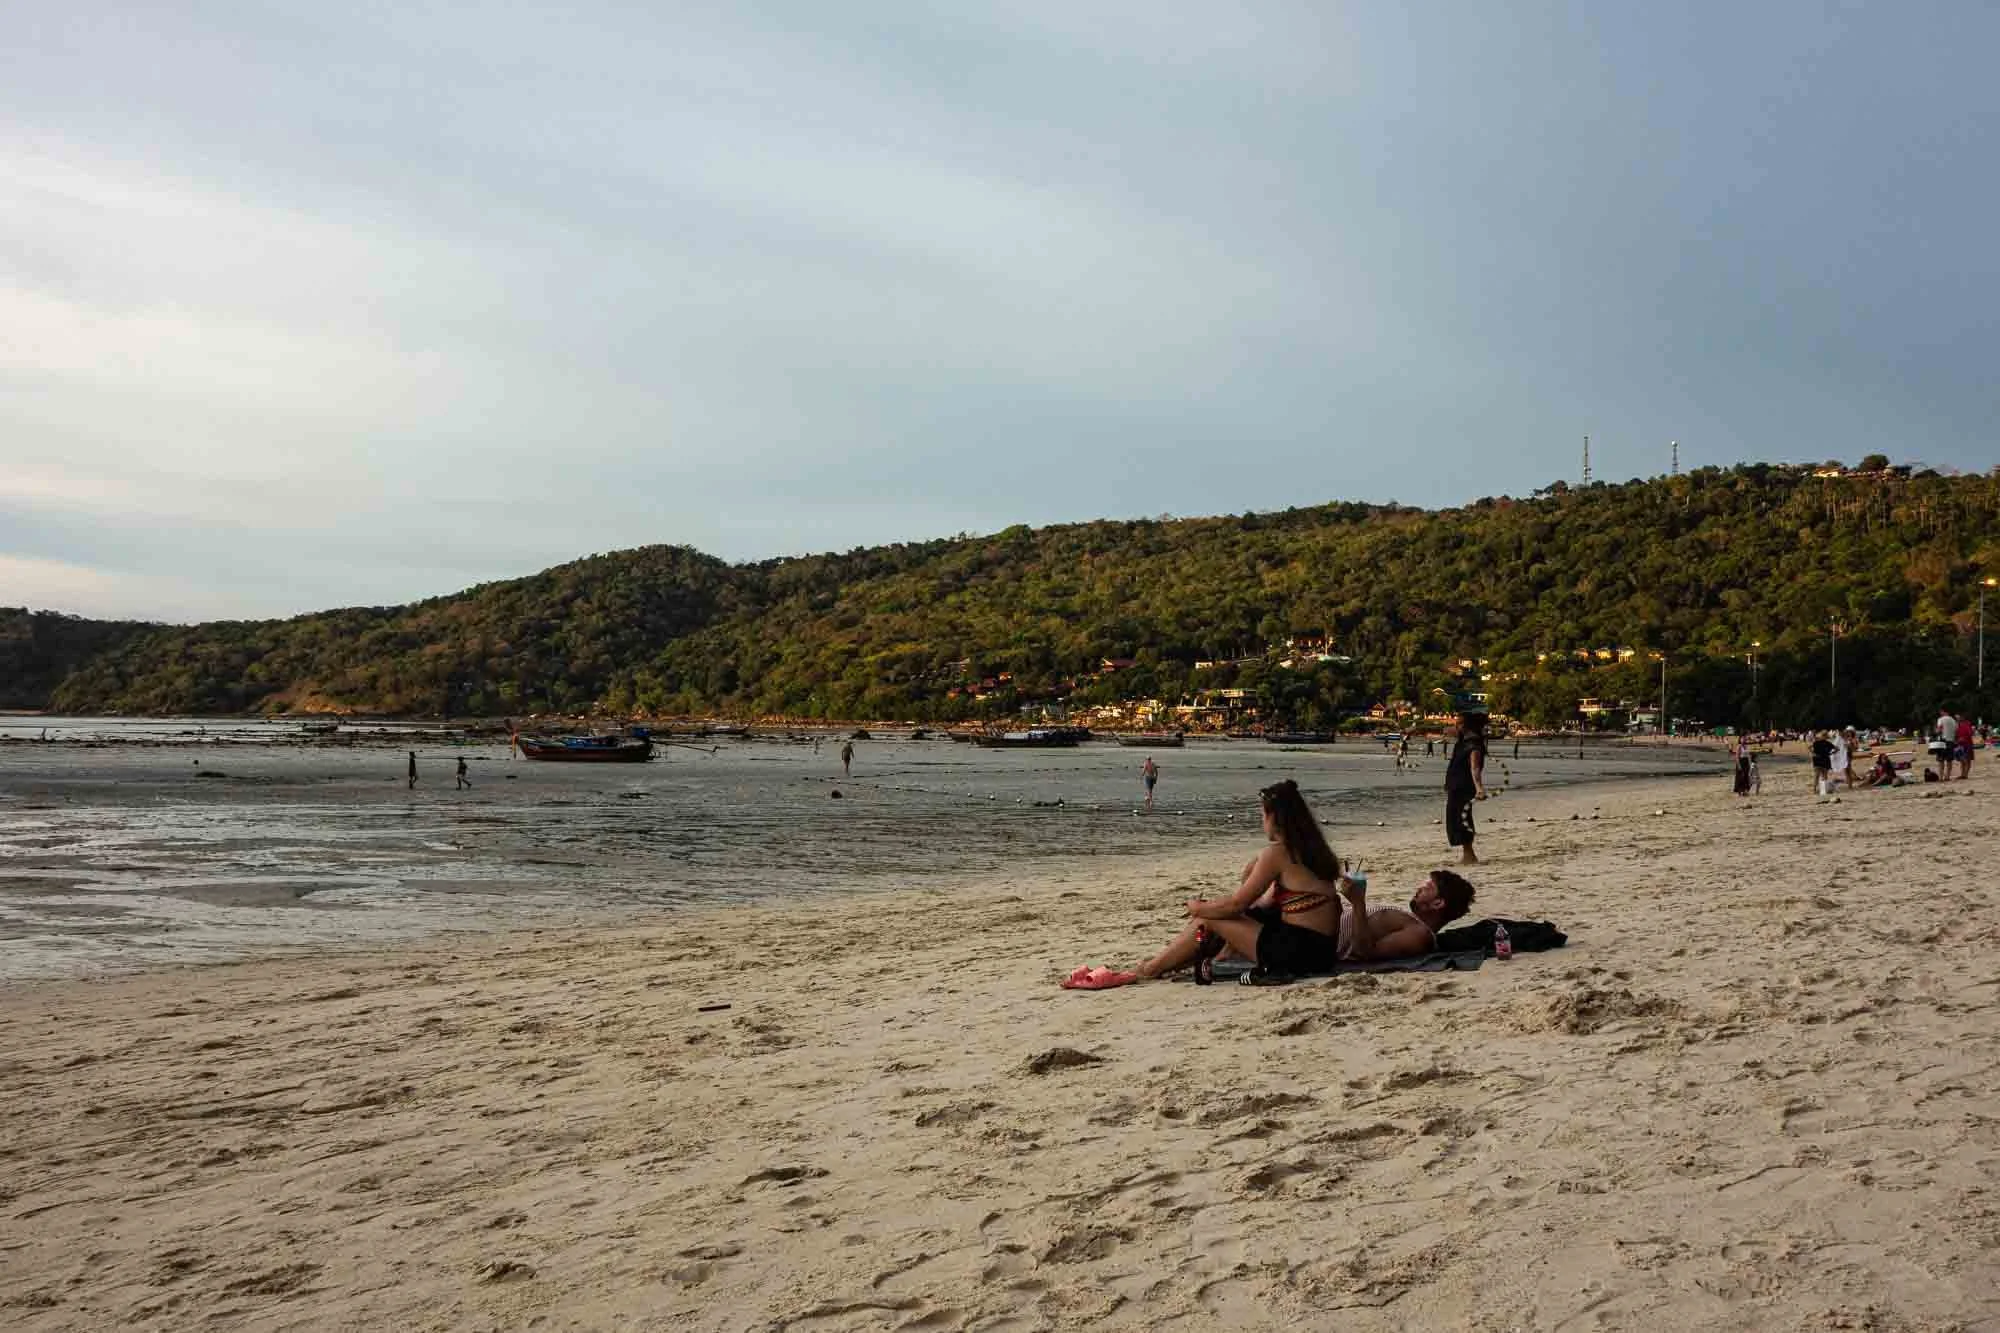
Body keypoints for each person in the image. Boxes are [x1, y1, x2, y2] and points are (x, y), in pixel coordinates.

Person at [1073, 781, 1346, 986]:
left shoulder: (1277, 853)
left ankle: (1150, 969)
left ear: (1275, 817)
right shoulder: (1313, 851)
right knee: (1224, 917)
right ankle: (1163, 965)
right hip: (1321, 951)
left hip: (1298, 954)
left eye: (1263, 815)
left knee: (1212, 920)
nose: (1261, 821)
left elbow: (1236, 905)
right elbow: (1265, 905)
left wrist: (1197, 907)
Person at [1445, 711, 1489, 864]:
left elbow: (1475, 768)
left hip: (1463, 786)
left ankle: (1469, 855)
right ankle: (1468, 854)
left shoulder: (1474, 744)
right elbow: (1446, 731)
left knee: (1462, 819)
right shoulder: (1463, 741)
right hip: (1455, 785)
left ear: (1468, 726)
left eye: (1460, 723)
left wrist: (1479, 788)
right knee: (1455, 819)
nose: (1457, 725)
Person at [1956, 713, 1976, 781]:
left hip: (1967, 744)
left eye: (1958, 717)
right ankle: (1962, 774)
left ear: (1962, 717)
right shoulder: (1958, 725)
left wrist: (1963, 738)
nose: (1957, 718)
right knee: (1962, 760)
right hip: (1960, 744)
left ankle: (1965, 775)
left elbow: (1970, 733)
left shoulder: (1967, 724)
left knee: (1967, 760)